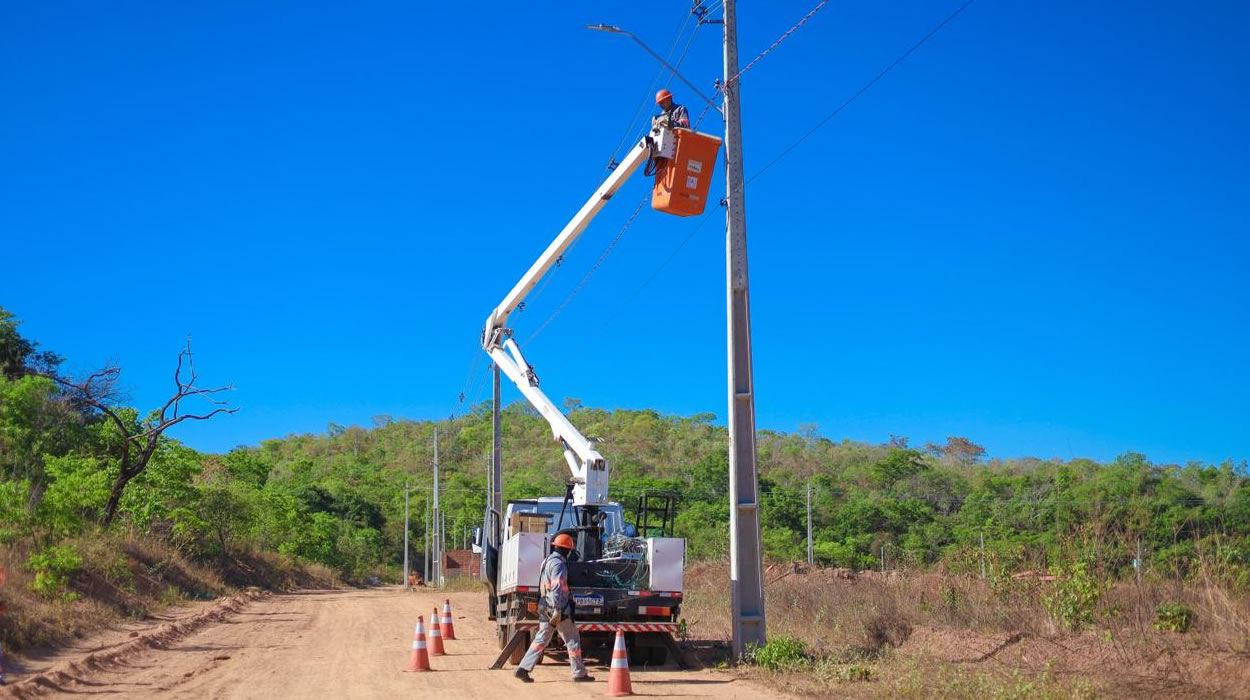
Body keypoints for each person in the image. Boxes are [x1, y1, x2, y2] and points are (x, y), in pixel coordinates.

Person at [513, 532, 594, 683]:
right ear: (567, 550)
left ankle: (522, 669)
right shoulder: (559, 564)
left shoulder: (547, 561)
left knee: (541, 638)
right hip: (557, 608)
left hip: (545, 605)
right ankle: (579, 673)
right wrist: (558, 608)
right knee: (572, 639)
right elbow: (557, 587)